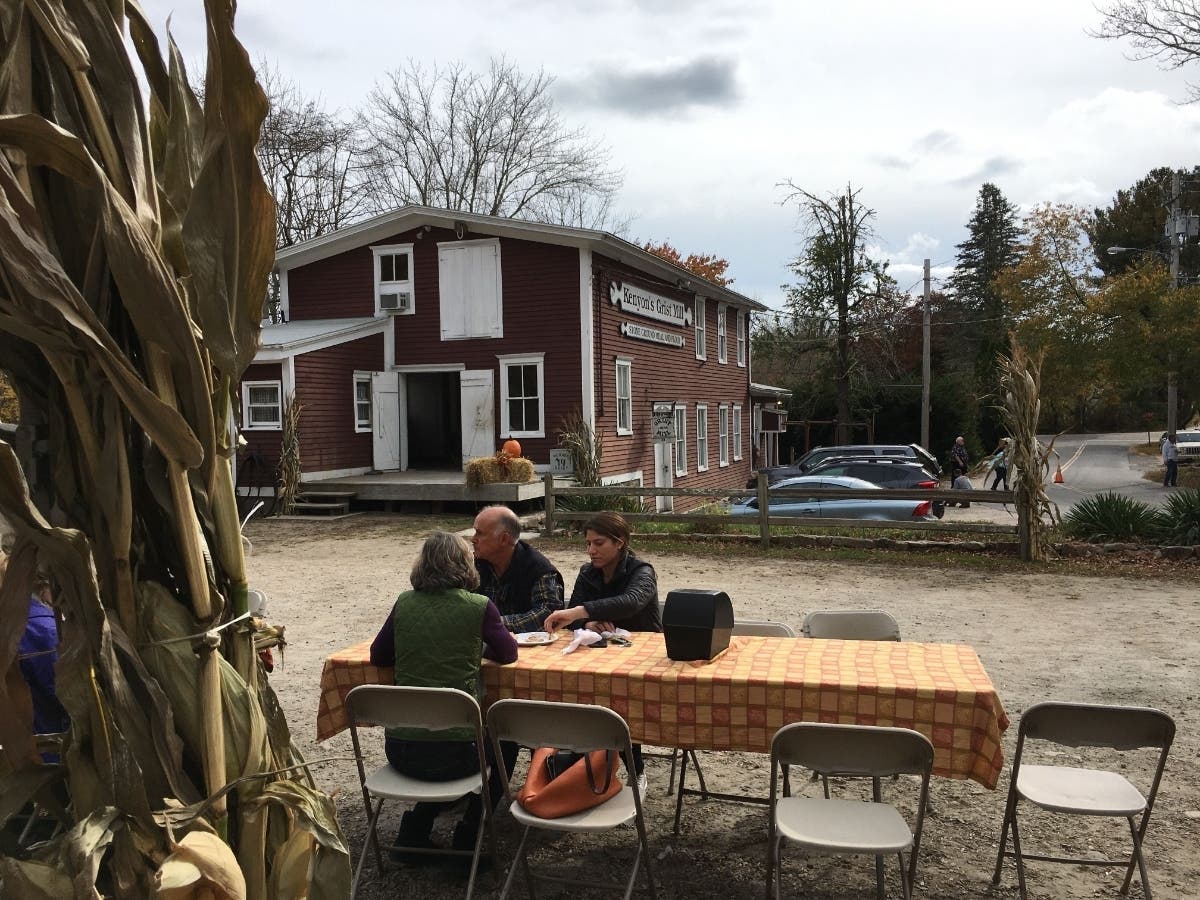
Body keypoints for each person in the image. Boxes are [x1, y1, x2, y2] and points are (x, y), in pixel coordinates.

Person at [368, 531, 519, 860]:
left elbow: (379, 656)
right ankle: (470, 835)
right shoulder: (479, 606)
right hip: (455, 756)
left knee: (437, 731)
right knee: (504, 742)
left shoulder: (404, 603)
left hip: (402, 750)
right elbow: (508, 654)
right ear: (466, 564)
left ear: (422, 565)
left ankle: (413, 833)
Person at [542, 511, 660, 789]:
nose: (591, 550)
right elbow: (577, 619)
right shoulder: (587, 573)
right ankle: (578, 763)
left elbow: (631, 602)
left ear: (620, 543)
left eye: (598, 543)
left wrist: (581, 612)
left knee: (626, 700)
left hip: (639, 656)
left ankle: (636, 770)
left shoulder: (642, 570)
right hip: (598, 656)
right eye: (588, 544)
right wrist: (589, 620)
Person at [471, 505, 564, 633]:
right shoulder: (475, 564)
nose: (473, 539)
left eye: (479, 533)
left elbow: (549, 614)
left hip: (528, 648)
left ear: (504, 539)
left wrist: (494, 623)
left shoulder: (538, 569)